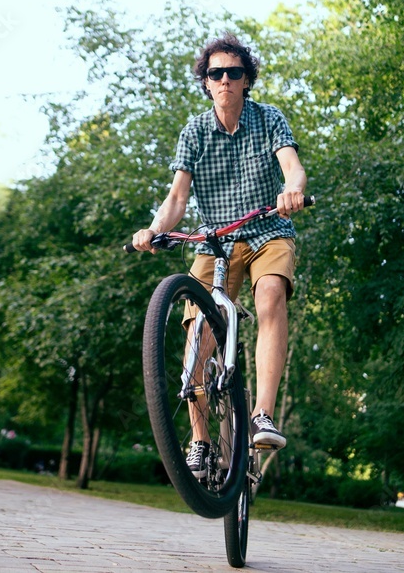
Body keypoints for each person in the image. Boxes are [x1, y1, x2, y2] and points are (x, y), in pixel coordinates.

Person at [131, 32, 307, 479]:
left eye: (234, 72)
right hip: (215, 241)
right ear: (206, 82)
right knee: (199, 334)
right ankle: (200, 441)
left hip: (268, 230)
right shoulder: (194, 132)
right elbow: (177, 198)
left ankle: (262, 416)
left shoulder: (269, 119)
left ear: (246, 80)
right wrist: (154, 229)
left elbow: (292, 168)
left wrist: (292, 191)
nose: (225, 79)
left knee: (270, 295)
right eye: (216, 73)